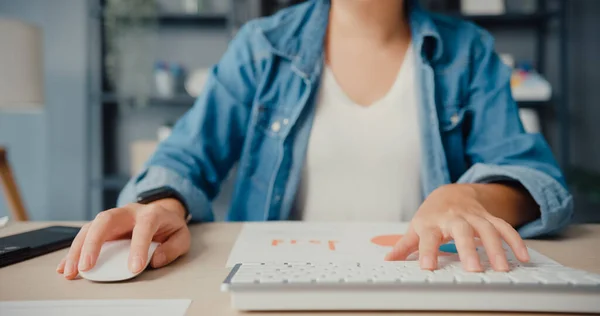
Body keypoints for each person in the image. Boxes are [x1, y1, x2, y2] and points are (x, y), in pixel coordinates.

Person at [57, 0, 572, 280]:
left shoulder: (469, 52)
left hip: (426, 283)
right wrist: (163, 202)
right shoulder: (262, 46)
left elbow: (536, 181)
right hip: (280, 286)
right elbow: (185, 157)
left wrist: (470, 195)